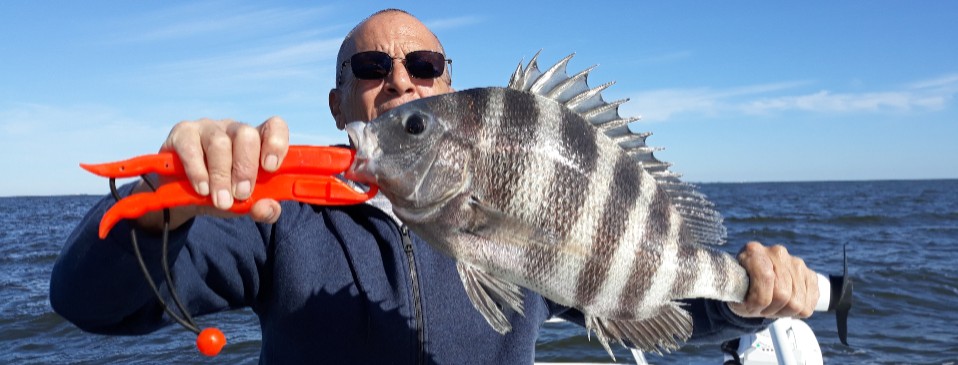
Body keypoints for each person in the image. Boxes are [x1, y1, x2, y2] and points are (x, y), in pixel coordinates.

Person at [50, 9, 819, 364]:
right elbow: (88, 302)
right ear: (340, 105)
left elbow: (645, 285)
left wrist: (747, 299)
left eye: (423, 68)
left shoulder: (508, 193)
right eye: (370, 68)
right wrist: (160, 207)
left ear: (447, 84)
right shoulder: (277, 210)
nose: (399, 85)